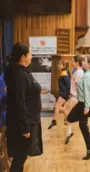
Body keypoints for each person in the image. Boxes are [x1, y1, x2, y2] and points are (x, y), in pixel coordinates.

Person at [4, 42, 43, 172]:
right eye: (30, 54)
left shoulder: (22, 71)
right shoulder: (18, 75)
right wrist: (24, 127)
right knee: (20, 157)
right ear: (23, 57)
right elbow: (19, 103)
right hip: (21, 124)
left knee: (21, 157)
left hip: (27, 120)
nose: (32, 56)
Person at [67, 54, 90, 160]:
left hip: (84, 103)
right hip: (86, 102)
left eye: (85, 61)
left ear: (89, 64)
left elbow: (88, 91)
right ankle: (89, 149)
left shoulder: (88, 75)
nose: (82, 62)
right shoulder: (89, 73)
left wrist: (87, 107)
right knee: (83, 125)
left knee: (70, 118)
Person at [63, 55, 84, 144]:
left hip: (75, 97)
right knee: (65, 111)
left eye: (72, 61)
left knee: (67, 114)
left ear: (76, 62)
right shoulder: (77, 71)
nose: (71, 63)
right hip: (73, 96)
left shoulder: (79, 73)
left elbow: (79, 87)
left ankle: (69, 131)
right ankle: (69, 131)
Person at [48, 59, 71, 129]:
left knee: (56, 107)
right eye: (58, 64)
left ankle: (54, 121)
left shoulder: (64, 74)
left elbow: (69, 85)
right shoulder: (64, 72)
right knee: (64, 109)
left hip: (64, 94)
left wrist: (69, 94)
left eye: (59, 64)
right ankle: (67, 120)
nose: (58, 65)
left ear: (64, 66)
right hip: (64, 93)